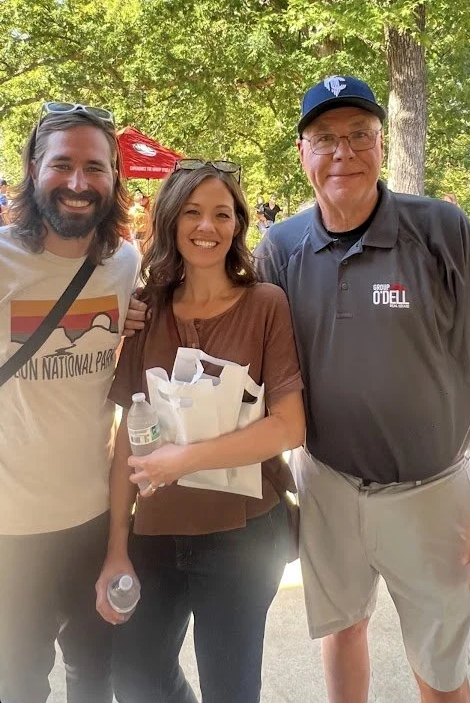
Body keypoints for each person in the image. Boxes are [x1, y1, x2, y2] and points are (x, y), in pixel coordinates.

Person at [254, 74, 470, 703]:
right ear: (302, 153)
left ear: (382, 145)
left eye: (360, 135)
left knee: (438, 669)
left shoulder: (442, 231)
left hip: (433, 491)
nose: (343, 152)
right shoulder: (280, 247)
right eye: (325, 138)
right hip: (327, 484)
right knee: (343, 627)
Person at [95, 158, 305, 703]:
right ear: (170, 219)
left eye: (221, 213)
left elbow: (289, 427)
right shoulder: (147, 309)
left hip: (243, 539)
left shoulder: (266, 305)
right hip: (156, 536)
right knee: (137, 680)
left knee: (231, 691)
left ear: (238, 223)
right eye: (191, 212)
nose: (206, 227)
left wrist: (183, 459)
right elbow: (125, 442)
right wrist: (118, 546)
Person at [0, 104, 140, 703]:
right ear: (34, 169)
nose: (78, 183)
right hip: (10, 529)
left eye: (95, 167)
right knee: (19, 680)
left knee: (94, 674)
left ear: (113, 179)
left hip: (94, 517)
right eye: (62, 164)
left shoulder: (124, 265)